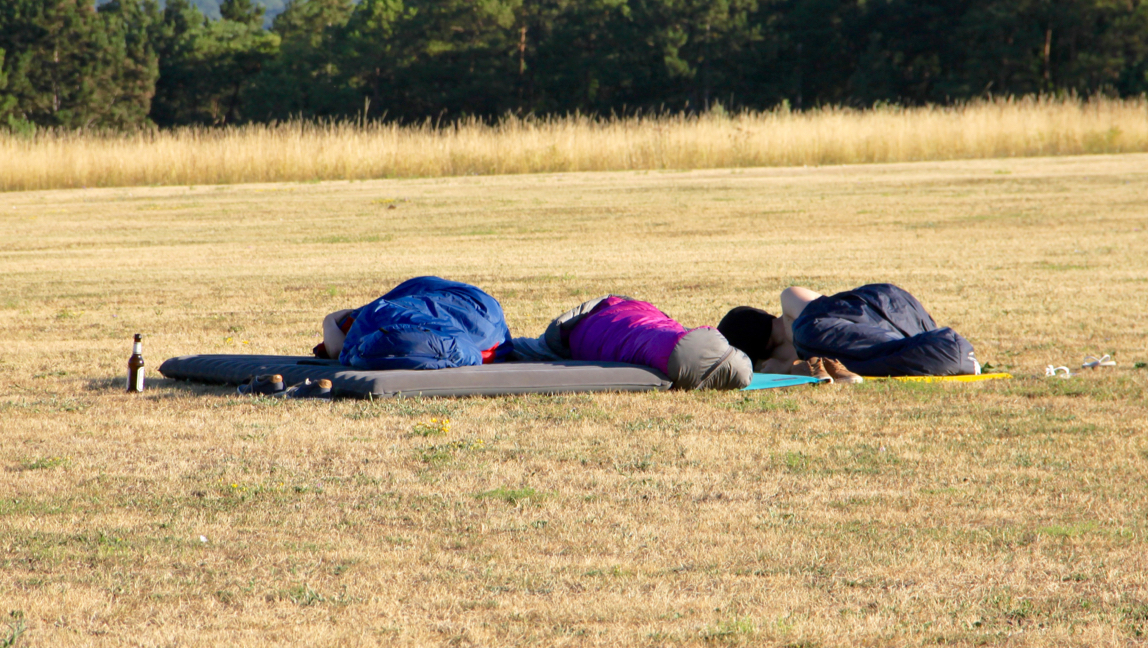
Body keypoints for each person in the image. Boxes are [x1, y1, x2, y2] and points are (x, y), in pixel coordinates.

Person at [718, 284, 980, 379]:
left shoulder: (810, 334)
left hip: (938, 342)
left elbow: (948, 351)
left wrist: (785, 368)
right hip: (899, 304)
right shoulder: (796, 306)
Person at [514, 295, 753, 390]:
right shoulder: (648, 316)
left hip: (593, 328)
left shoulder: (571, 333)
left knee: (529, 348)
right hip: (647, 327)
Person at [314, 276, 512, 370]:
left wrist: (329, 320)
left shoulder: (366, 318)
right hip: (488, 312)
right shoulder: (374, 314)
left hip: (480, 317)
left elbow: (337, 350)